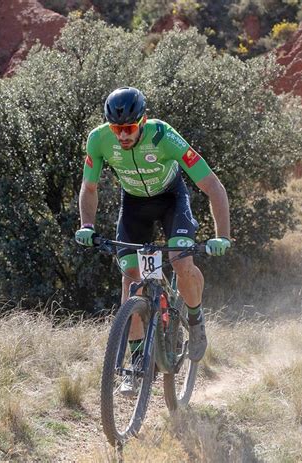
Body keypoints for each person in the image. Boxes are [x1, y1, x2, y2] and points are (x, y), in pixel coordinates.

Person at [75, 86, 230, 371]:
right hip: (134, 205)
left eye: (129, 128)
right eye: (116, 128)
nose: (122, 135)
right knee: (131, 278)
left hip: (171, 199)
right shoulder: (98, 140)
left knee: (181, 263)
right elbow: (89, 186)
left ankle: (194, 319)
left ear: (143, 121)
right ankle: (136, 362)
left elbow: (212, 186)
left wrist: (222, 235)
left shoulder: (163, 135)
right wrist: (87, 225)